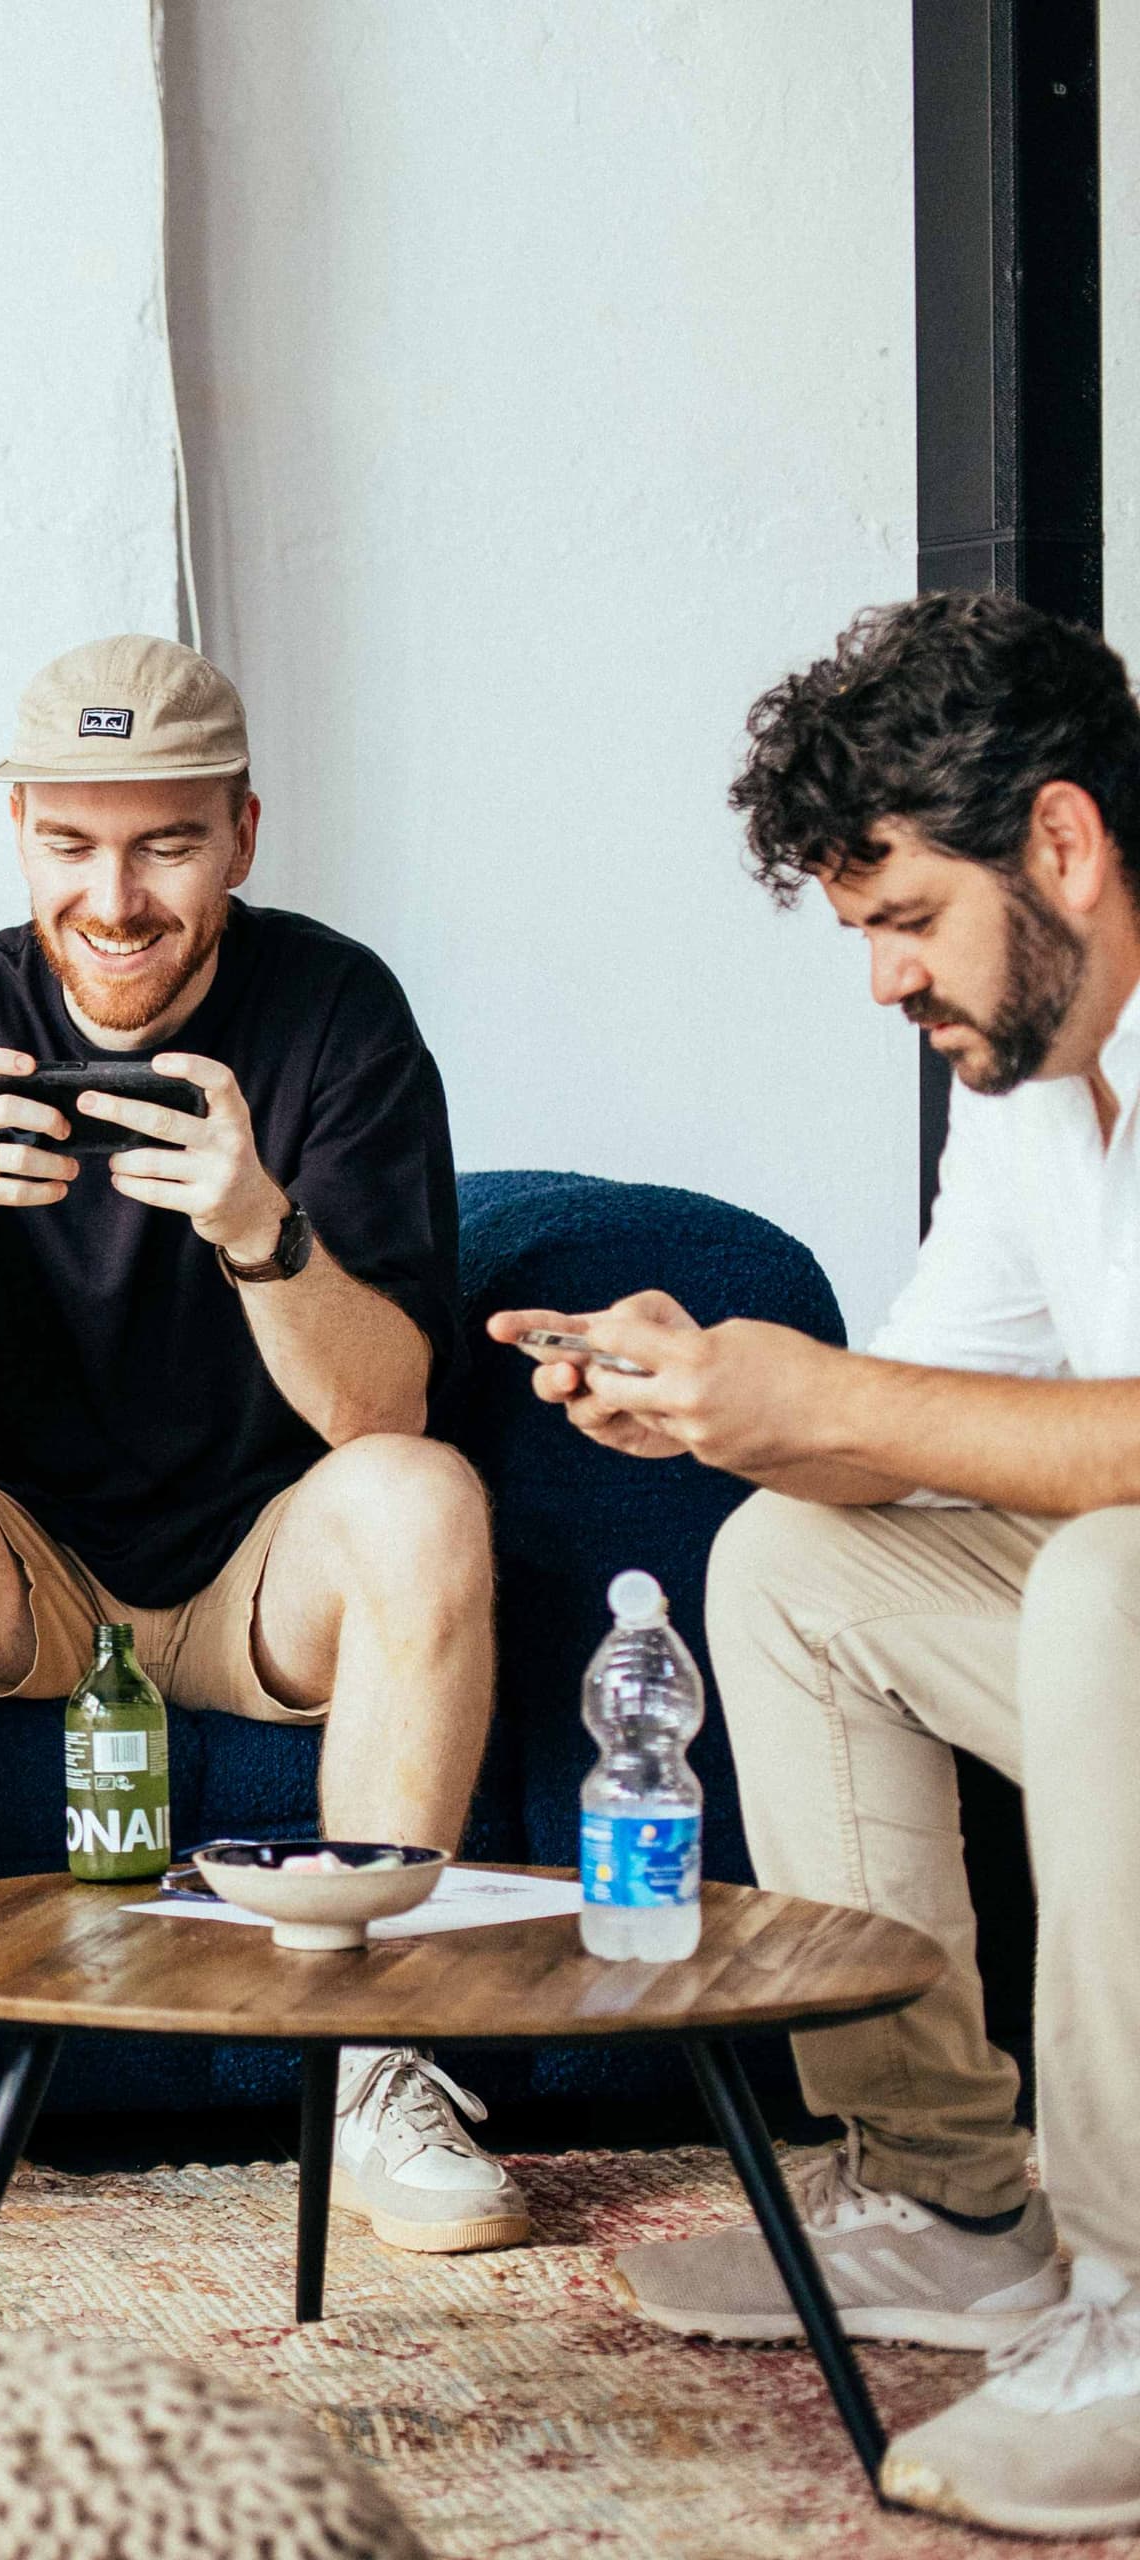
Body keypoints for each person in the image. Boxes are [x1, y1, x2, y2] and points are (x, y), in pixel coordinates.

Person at [499, 590, 1140, 2540]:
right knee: (793, 1550)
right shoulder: (1031, 1088)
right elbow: (916, 1412)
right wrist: (713, 1397)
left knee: (1115, 1580)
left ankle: (1133, 2302)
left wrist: (809, 1398)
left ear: (1062, 843)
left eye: (905, 919)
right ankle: (954, 2197)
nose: (879, 982)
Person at [0, 636, 510, 2256]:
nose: (118, 897)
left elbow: (387, 1413)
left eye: (165, 843)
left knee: (423, 1502)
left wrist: (259, 1227)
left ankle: (375, 2067)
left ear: (243, 834)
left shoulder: (338, 1013)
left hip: (256, 1581)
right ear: (19, 827)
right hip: (28, 1586)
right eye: (73, 843)